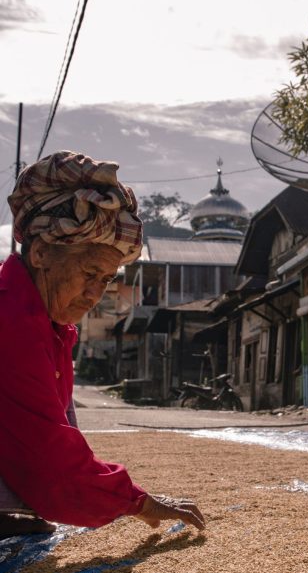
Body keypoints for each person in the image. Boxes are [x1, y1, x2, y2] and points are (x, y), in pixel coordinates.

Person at [0, 151, 206, 537]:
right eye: (90, 273)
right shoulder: (10, 322)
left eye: (108, 279)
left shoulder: (54, 327)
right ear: (42, 253)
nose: (96, 294)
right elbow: (52, 466)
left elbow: (56, 434)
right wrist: (138, 501)